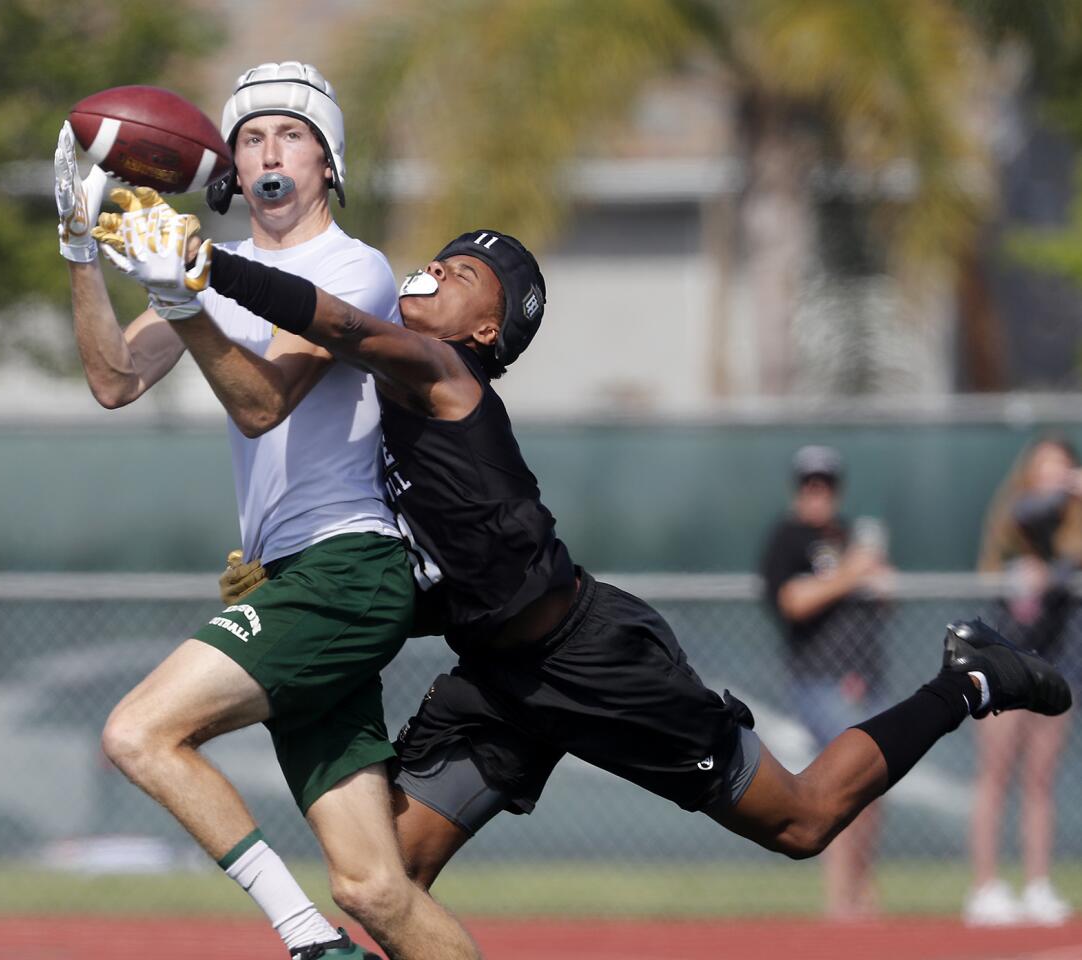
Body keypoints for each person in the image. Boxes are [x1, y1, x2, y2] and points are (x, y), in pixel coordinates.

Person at [97, 210, 1073, 896]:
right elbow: (436, 570)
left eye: (464, 274)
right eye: (435, 256)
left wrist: (204, 268)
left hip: (592, 661)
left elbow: (335, 321)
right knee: (383, 881)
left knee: (803, 820)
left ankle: (965, 680)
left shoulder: (438, 370)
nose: (432, 271)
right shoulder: (386, 406)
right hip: (495, 678)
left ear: (486, 330)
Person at [55, 61, 479, 960]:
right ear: (230, 172)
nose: (269, 152)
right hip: (298, 576)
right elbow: (113, 381)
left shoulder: (351, 267)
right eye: (250, 138)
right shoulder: (223, 266)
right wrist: (81, 249)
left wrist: (182, 297)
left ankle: (305, 944)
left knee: (138, 732)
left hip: (347, 568)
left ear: (329, 164)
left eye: (291, 134)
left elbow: (262, 400)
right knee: (375, 888)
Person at [759, 446, 894, 920]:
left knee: (873, 784)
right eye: (809, 485)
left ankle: (862, 890)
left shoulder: (849, 534)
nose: (818, 494)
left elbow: (883, 599)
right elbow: (793, 600)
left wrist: (876, 578)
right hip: (819, 679)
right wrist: (851, 575)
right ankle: (840, 902)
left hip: (864, 679)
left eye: (826, 485)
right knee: (842, 783)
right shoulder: (788, 537)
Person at [965, 436, 1080, 926]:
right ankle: (984, 886)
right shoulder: (1017, 512)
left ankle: (1037, 884)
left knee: (1040, 779)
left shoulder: (1074, 520)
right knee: (995, 773)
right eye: (1046, 467)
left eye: (1063, 466)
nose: (1055, 475)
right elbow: (1028, 515)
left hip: (1056, 661)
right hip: (1002, 659)